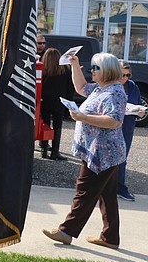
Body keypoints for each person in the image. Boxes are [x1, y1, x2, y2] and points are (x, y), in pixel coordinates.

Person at [42, 53, 127, 249]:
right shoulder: (100, 88)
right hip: (104, 153)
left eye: (95, 68)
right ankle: (110, 237)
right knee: (107, 195)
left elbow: (114, 120)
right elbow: (80, 88)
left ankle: (66, 231)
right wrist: (75, 65)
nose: (92, 72)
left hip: (102, 154)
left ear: (106, 70)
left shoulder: (114, 92)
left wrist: (83, 117)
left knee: (85, 190)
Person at [117, 60, 145, 201]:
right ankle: (102, 189)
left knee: (122, 159)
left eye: (128, 75)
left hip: (127, 127)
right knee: (106, 159)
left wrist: (140, 112)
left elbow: (139, 105)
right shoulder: (109, 85)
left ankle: (120, 188)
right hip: (111, 127)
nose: (125, 77)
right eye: (122, 74)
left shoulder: (132, 86)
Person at [39, 48, 74, 160]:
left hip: (45, 100)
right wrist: (69, 103)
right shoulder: (66, 69)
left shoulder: (43, 69)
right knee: (57, 126)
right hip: (59, 101)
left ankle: (44, 149)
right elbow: (70, 88)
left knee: (45, 124)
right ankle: (55, 152)